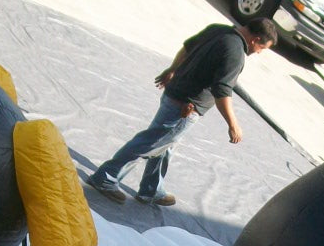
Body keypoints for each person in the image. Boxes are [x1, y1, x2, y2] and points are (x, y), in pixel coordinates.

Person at [86, 18, 277, 207]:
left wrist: (172, 70)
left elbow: (187, 49)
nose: (258, 52)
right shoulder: (236, 53)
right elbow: (223, 91)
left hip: (174, 93)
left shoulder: (217, 30)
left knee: (165, 145)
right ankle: (106, 177)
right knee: (151, 143)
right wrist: (233, 124)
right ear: (255, 39)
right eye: (262, 48)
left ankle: (151, 190)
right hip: (186, 107)